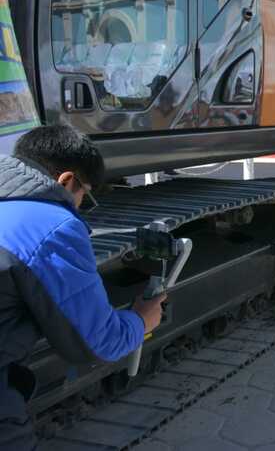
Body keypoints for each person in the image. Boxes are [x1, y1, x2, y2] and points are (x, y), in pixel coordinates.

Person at [0, 125, 165, 450]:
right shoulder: (52, 225)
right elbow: (96, 343)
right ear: (66, 181)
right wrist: (141, 321)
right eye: (85, 196)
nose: (79, 206)